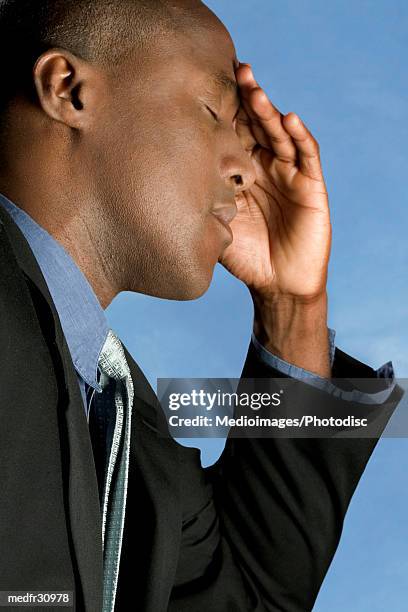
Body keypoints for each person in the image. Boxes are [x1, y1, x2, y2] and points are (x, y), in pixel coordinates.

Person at [0, 1, 403, 611]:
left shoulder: (129, 432)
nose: (247, 167)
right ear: (68, 90)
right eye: (215, 113)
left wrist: (292, 306)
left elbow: (250, 599)